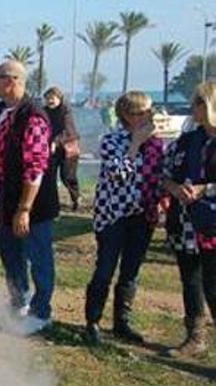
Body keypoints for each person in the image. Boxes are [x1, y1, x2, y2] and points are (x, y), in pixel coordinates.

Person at [84, 91, 164, 345]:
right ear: (127, 115)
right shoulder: (111, 141)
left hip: (143, 214)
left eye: (151, 111)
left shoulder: (157, 144)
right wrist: (135, 145)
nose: (149, 116)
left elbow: (161, 176)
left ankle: (122, 322)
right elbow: (119, 174)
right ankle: (93, 321)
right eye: (143, 112)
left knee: (131, 271)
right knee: (105, 268)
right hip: (114, 216)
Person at [0, 61, 55, 334]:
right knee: (11, 255)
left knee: (38, 256)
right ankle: (19, 303)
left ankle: (41, 312)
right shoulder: (7, 113)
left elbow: (35, 166)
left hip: (32, 204)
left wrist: (25, 208)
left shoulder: (33, 117)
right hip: (8, 199)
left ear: (11, 81)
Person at [161, 82, 216, 358]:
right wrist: (173, 188)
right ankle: (195, 337)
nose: (193, 107)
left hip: (212, 223)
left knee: (213, 285)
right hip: (185, 221)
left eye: (198, 102)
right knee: (191, 280)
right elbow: (164, 172)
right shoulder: (187, 140)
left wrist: (205, 188)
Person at [43, 87, 81, 211]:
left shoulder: (65, 111)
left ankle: (76, 198)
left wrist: (55, 141)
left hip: (68, 147)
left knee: (67, 176)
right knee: (49, 176)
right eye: (47, 98)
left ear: (59, 99)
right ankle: (52, 204)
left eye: (52, 98)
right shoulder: (44, 111)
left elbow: (68, 131)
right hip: (51, 148)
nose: (50, 101)